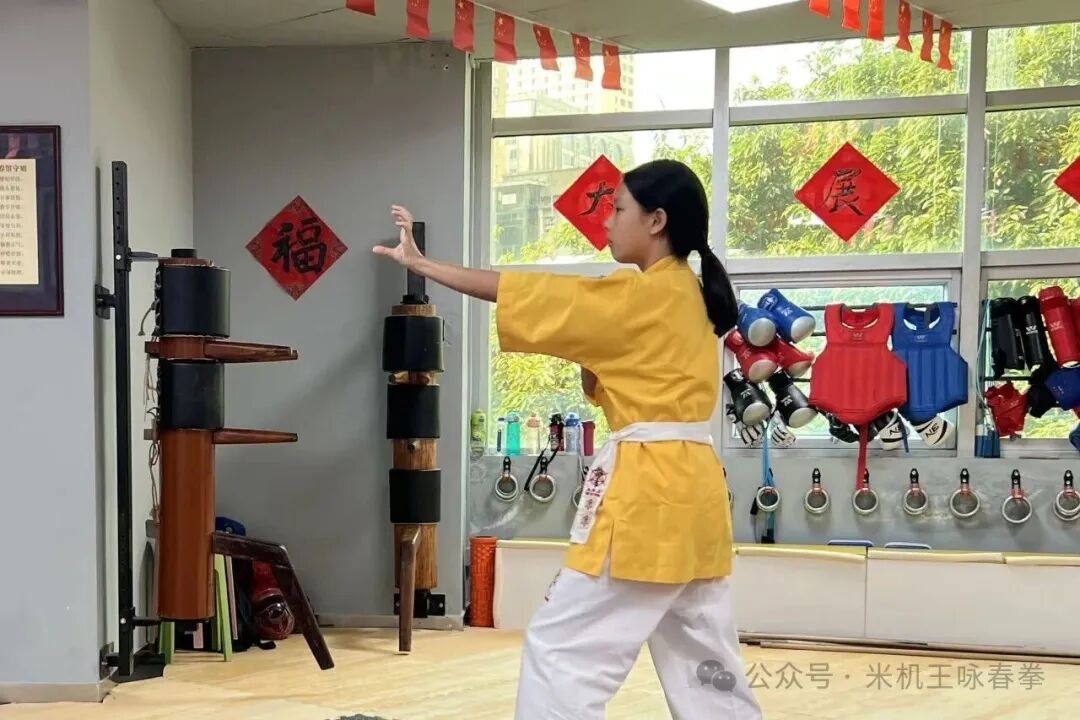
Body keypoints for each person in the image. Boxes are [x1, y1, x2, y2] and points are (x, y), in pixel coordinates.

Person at [374, 159, 763, 720]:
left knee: (561, 651)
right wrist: (584, 341)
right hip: (697, 496)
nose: (607, 220)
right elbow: (598, 373)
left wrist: (421, 264)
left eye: (619, 209)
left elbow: (519, 291)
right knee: (704, 662)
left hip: (647, 495)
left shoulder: (637, 295)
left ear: (656, 221)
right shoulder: (693, 296)